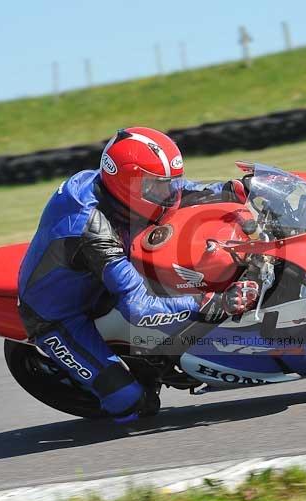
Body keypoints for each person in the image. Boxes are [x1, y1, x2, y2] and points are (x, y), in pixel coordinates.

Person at [18, 127, 259, 422]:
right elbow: (138, 309)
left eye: (168, 183)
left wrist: (232, 190)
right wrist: (216, 303)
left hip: (97, 274)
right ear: (126, 184)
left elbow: (181, 192)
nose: (169, 193)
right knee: (132, 405)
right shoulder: (93, 231)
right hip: (58, 315)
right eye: (157, 187)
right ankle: (114, 386)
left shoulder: (117, 188)